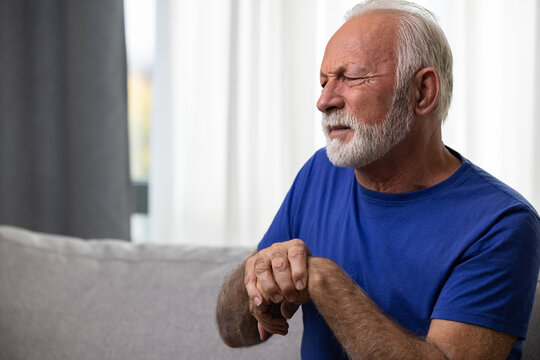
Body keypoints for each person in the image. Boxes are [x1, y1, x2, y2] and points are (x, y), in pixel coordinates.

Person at [215, 0, 540, 359]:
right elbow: (235, 332)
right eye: (324, 81)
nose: (323, 101)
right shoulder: (319, 174)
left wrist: (325, 282)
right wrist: (258, 275)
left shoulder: (502, 223)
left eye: (350, 77)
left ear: (422, 92)